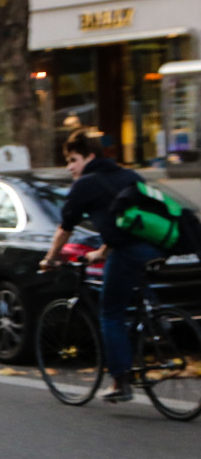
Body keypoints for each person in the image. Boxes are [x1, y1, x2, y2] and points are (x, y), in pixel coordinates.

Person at [39, 128, 161, 403]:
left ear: (90, 156)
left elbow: (65, 228)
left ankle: (120, 381)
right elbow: (128, 221)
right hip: (155, 246)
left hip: (128, 252)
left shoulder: (86, 184)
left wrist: (50, 258)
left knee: (110, 313)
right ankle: (156, 327)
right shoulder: (128, 174)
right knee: (135, 299)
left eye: (73, 159)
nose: (69, 167)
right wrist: (102, 251)